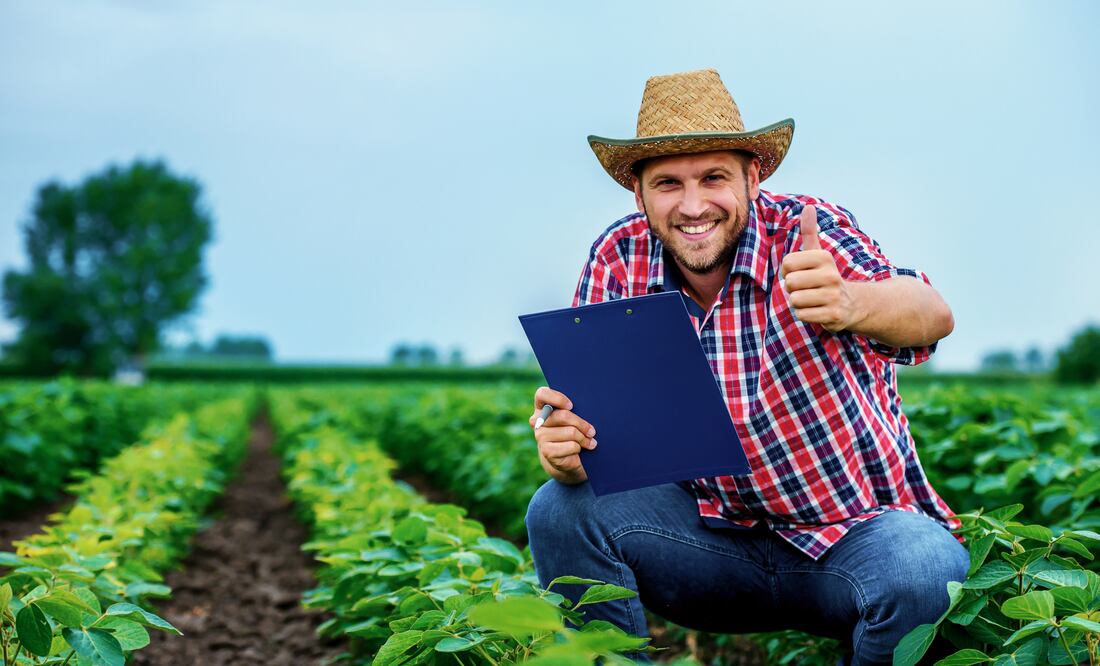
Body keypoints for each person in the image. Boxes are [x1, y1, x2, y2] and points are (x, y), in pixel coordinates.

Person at [523, 68, 967, 665]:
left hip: (850, 540)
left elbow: (931, 314)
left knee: (926, 566)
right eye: (668, 184)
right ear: (639, 194)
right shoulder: (617, 258)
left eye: (713, 178)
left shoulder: (808, 234)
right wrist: (568, 455)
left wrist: (851, 302)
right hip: (706, 546)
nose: (692, 205)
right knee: (558, 509)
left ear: (753, 176)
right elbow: (596, 444)